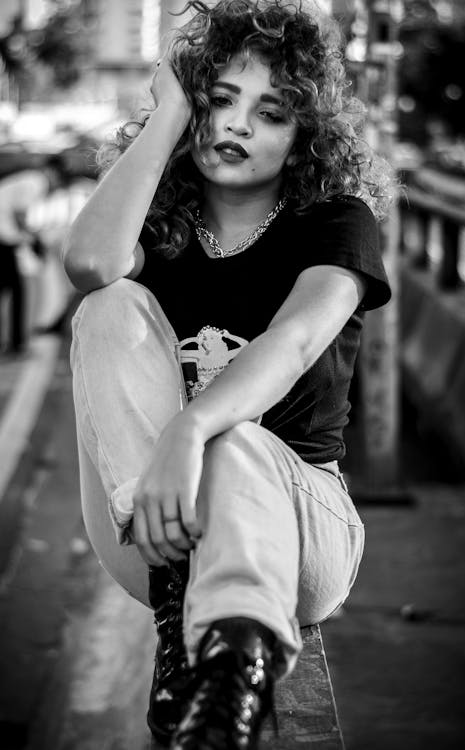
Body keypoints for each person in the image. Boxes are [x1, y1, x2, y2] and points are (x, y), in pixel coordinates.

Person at [63, 1, 394, 747]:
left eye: (270, 113)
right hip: (156, 531)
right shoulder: (161, 227)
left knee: (235, 443)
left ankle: (228, 683)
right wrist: (167, 114)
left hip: (302, 535)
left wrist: (193, 425)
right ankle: (188, 621)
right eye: (219, 101)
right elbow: (86, 265)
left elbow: (295, 342)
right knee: (107, 305)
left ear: (302, 135)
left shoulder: (337, 221)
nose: (237, 126)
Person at [0, 154, 71, 354]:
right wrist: (33, 239)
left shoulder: (27, 179)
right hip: (3, 240)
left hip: (6, 240)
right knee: (17, 290)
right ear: (52, 172)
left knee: (12, 289)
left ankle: (14, 342)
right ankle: (16, 344)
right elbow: (19, 214)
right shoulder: (36, 181)